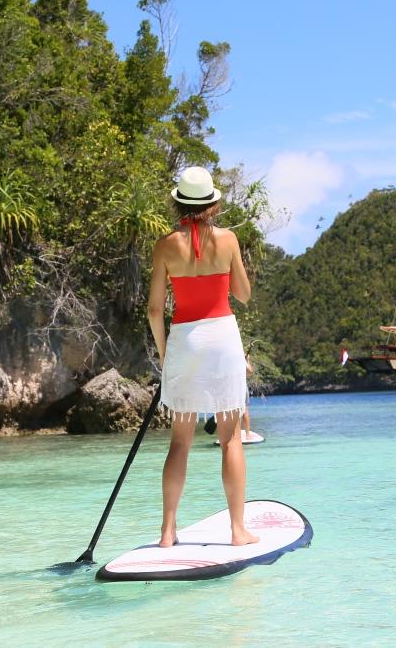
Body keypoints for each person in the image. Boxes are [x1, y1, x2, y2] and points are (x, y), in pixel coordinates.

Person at [147, 166, 259, 548]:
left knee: (180, 442)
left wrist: (167, 354)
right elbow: (243, 295)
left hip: (185, 340)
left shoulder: (164, 245)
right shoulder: (228, 240)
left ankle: (167, 532)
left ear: (179, 203)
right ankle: (238, 530)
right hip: (223, 339)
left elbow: (154, 310)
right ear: (212, 204)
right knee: (230, 440)